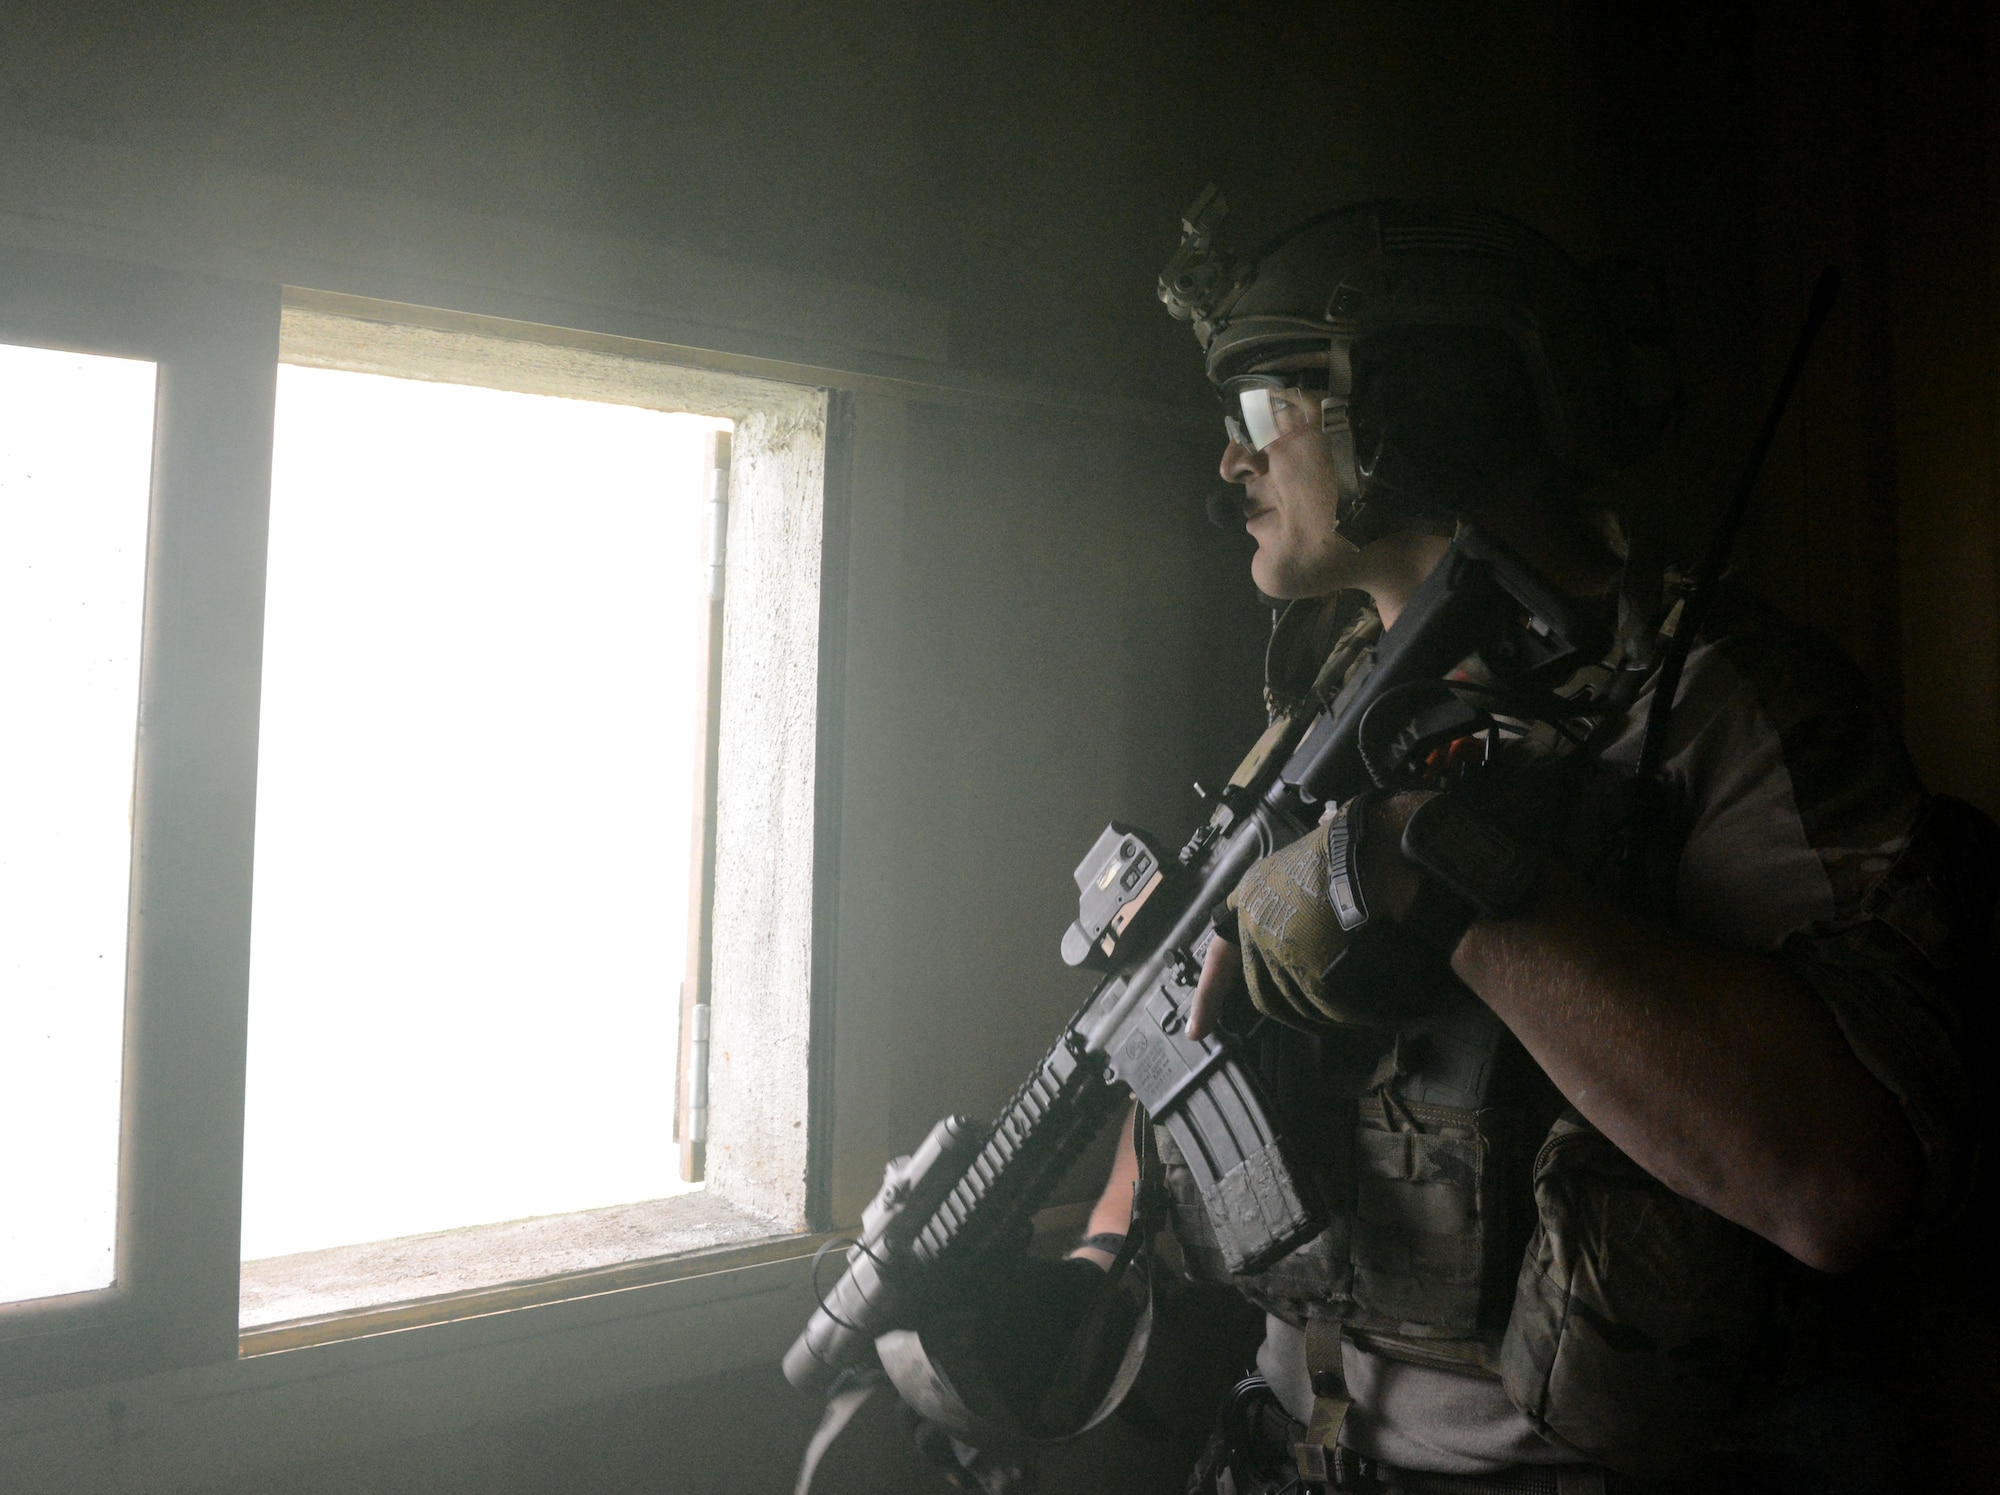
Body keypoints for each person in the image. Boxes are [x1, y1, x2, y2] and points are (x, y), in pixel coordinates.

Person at [1058, 198, 1994, 1492]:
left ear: (1420, 401)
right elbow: (1186, 1034)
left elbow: (1838, 1175)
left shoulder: (1721, 702)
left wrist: (1426, 868)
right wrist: (1095, 1265)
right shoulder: (1314, 720)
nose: (1234, 461)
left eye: (1268, 411)